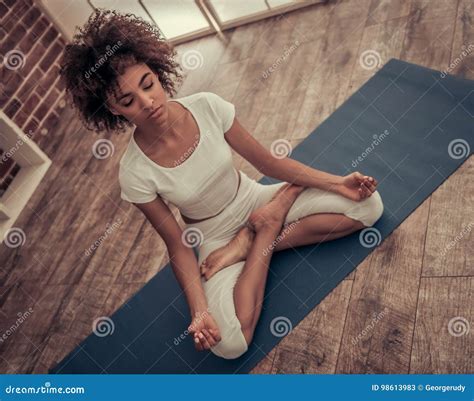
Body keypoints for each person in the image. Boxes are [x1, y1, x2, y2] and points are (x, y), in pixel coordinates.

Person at [59, 9, 383, 360]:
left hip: (255, 197)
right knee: (228, 345)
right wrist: (199, 311)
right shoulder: (134, 173)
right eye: (128, 101)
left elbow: (268, 163)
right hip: (212, 237)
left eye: (148, 83)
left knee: (368, 206)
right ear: (113, 110)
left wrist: (339, 182)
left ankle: (259, 234)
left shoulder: (207, 106)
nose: (147, 102)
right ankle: (264, 233)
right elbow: (178, 245)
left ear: (157, 71)